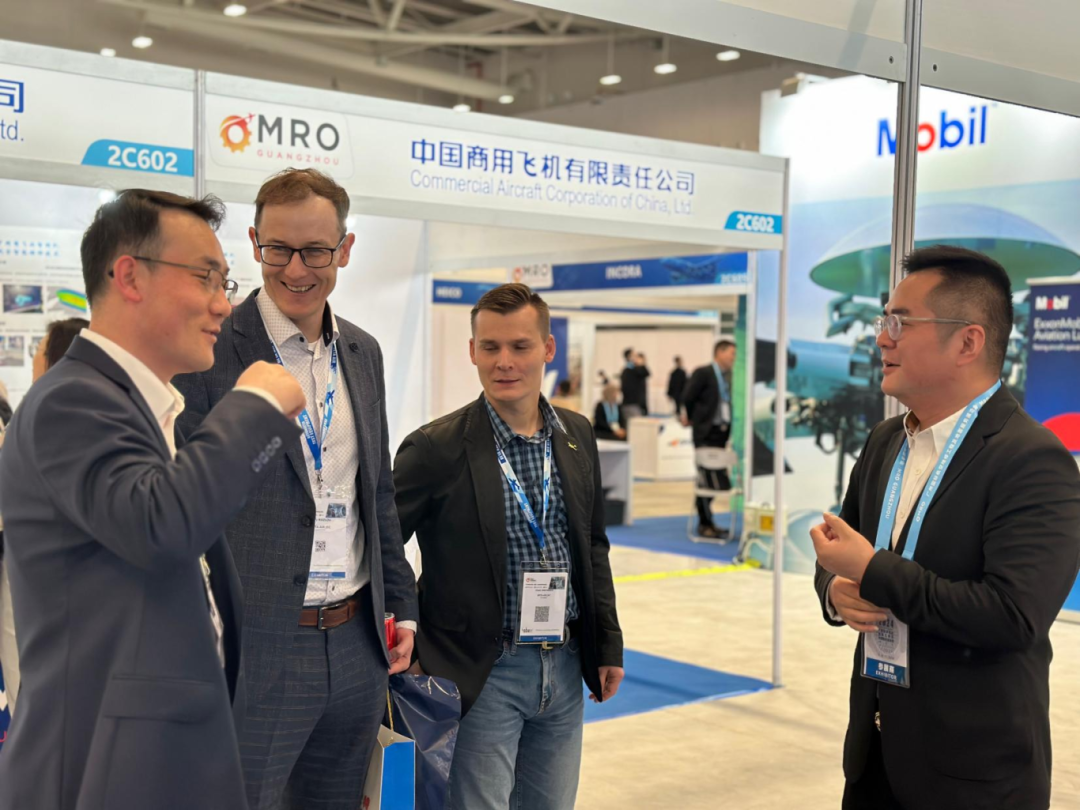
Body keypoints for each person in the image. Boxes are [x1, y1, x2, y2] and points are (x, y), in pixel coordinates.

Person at [0, 189, 305, 810]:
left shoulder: (147, 409)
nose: (223, 303)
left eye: (225, 281)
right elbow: (161, 524)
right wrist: (255, 405)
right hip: (103, 770)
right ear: (130, 276)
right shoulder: (72, 400)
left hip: (157, 757)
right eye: (204, 277)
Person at [174, 168, 419, 810]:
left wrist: (402, 606)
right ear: (255, 243)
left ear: (345, 249)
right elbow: (187, 499)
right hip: (254, 647)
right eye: (278, 249)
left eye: (315, 250)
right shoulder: (209, 352)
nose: (296, 269)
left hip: (357, 643)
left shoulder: (362, 352)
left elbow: (377, 493)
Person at [811, 245, 1080, 810]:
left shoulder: (1032, 459)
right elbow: (841, 550)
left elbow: (1012, 617)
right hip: (874, 757)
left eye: (900, 323)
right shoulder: (887, 440)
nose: (881, 340)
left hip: (972, 776)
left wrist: (873, 571)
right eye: (884, 321)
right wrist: (835, 589)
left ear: (967, 342)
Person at [394, 283, 624, 810]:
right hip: (482, 668)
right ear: (472, 351)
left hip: (564, 661)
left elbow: (592, 546)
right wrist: (413, 635)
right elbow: (384, 546)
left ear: (547, 348)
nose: (504, 362)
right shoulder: (434, 448)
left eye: (520, 346)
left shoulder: (577, 434)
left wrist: (606, 644)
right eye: (490, 347)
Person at [0, 317, 90, 716]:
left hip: (36, 576)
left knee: (29, 687)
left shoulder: (49, 415)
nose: (35, 357)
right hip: (43, 576)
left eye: (40, 349)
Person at [682, 339, 737, 539]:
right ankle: (705, 523)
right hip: (705, 432)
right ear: (720, 352)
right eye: (731, 354)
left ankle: (708, 522)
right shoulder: (703, 372)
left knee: (718, 480)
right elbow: (688, 397)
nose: (734, 358)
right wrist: (692, 419)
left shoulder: (729, 376)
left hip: (721, 433)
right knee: (705, 480)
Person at [619, 348, 650, 416]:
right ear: (629, 357)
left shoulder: (635, 370)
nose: (637, 357)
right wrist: (640, 364)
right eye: (634, 355)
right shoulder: (629, 370)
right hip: (632, 404)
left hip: (637, 404)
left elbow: (646, 373)